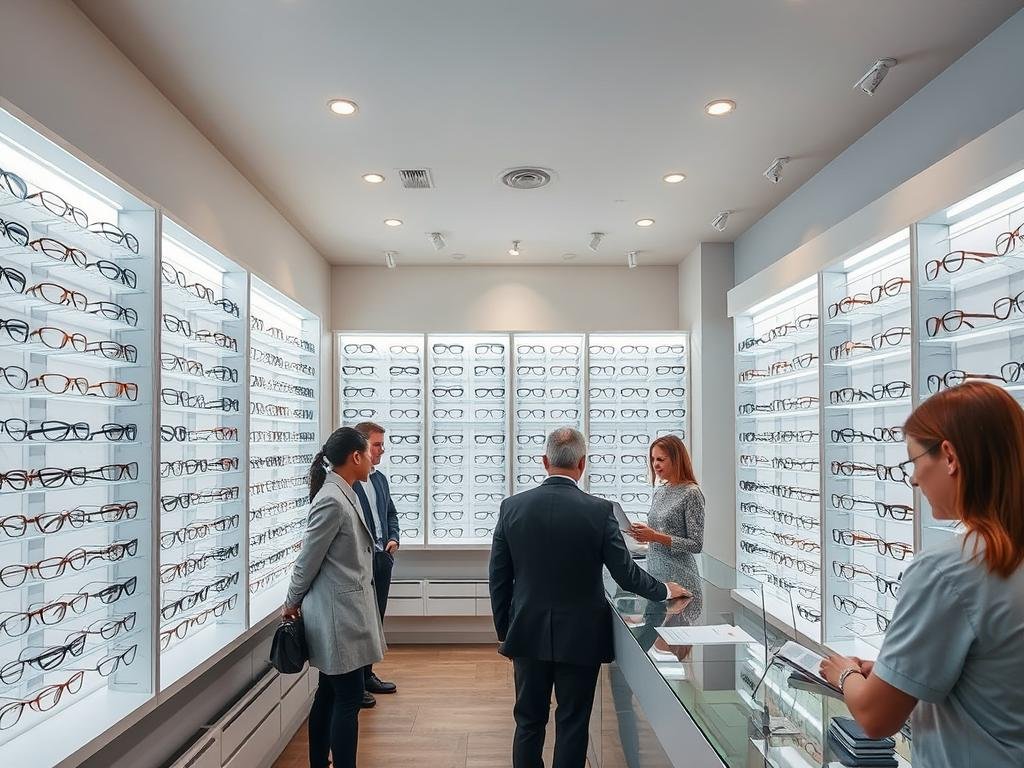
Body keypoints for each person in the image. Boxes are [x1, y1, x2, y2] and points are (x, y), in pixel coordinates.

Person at [820, 381, 1024, 767]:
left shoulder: (947, 570)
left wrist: (845, 673)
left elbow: (875, 716)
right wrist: (894, 672)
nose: (913, 479)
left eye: (914, 461)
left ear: (949, 457)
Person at [488, 426, 688, 768]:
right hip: (581, 636)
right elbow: (626, 574)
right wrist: (666, 590)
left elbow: (499, 578)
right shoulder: (598, 512)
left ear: (545, 461)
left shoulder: (512, 508)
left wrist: (506, 631)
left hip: (528, 630)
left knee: (528, 721)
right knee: (573, 723)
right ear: (582, 464)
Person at [282, 427, 387, 768]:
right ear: (355, 457)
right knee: (347, 698)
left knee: (330, 692)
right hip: (338, 616)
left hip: (344, 613)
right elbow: (307, 559)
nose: (375, 457)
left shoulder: (344, 492)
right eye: (370, 452)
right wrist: (291, 601)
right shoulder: (331, 499)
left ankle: (318, 762)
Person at [352, 421, 400, 706]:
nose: (382, 449)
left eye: (382, 444)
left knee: (375, 621)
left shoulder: (380, 480)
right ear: (360, 448)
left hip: (382, 559)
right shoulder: (349, 484)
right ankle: (355, 685)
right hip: (359, 564)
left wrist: (393, 538)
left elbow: (391, 514)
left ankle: (368, 674)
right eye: (377, 444)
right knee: (360, 624)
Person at [626, 435, 705, 595]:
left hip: (681, 577)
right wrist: (644, 532)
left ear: (676, 460)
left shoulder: (692, 493)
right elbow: (663, 529)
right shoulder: (660, 491)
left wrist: (654, 536)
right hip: (655, 573)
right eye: (653, 459)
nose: (655, 464)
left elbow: (696, 544)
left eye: (660, 459)